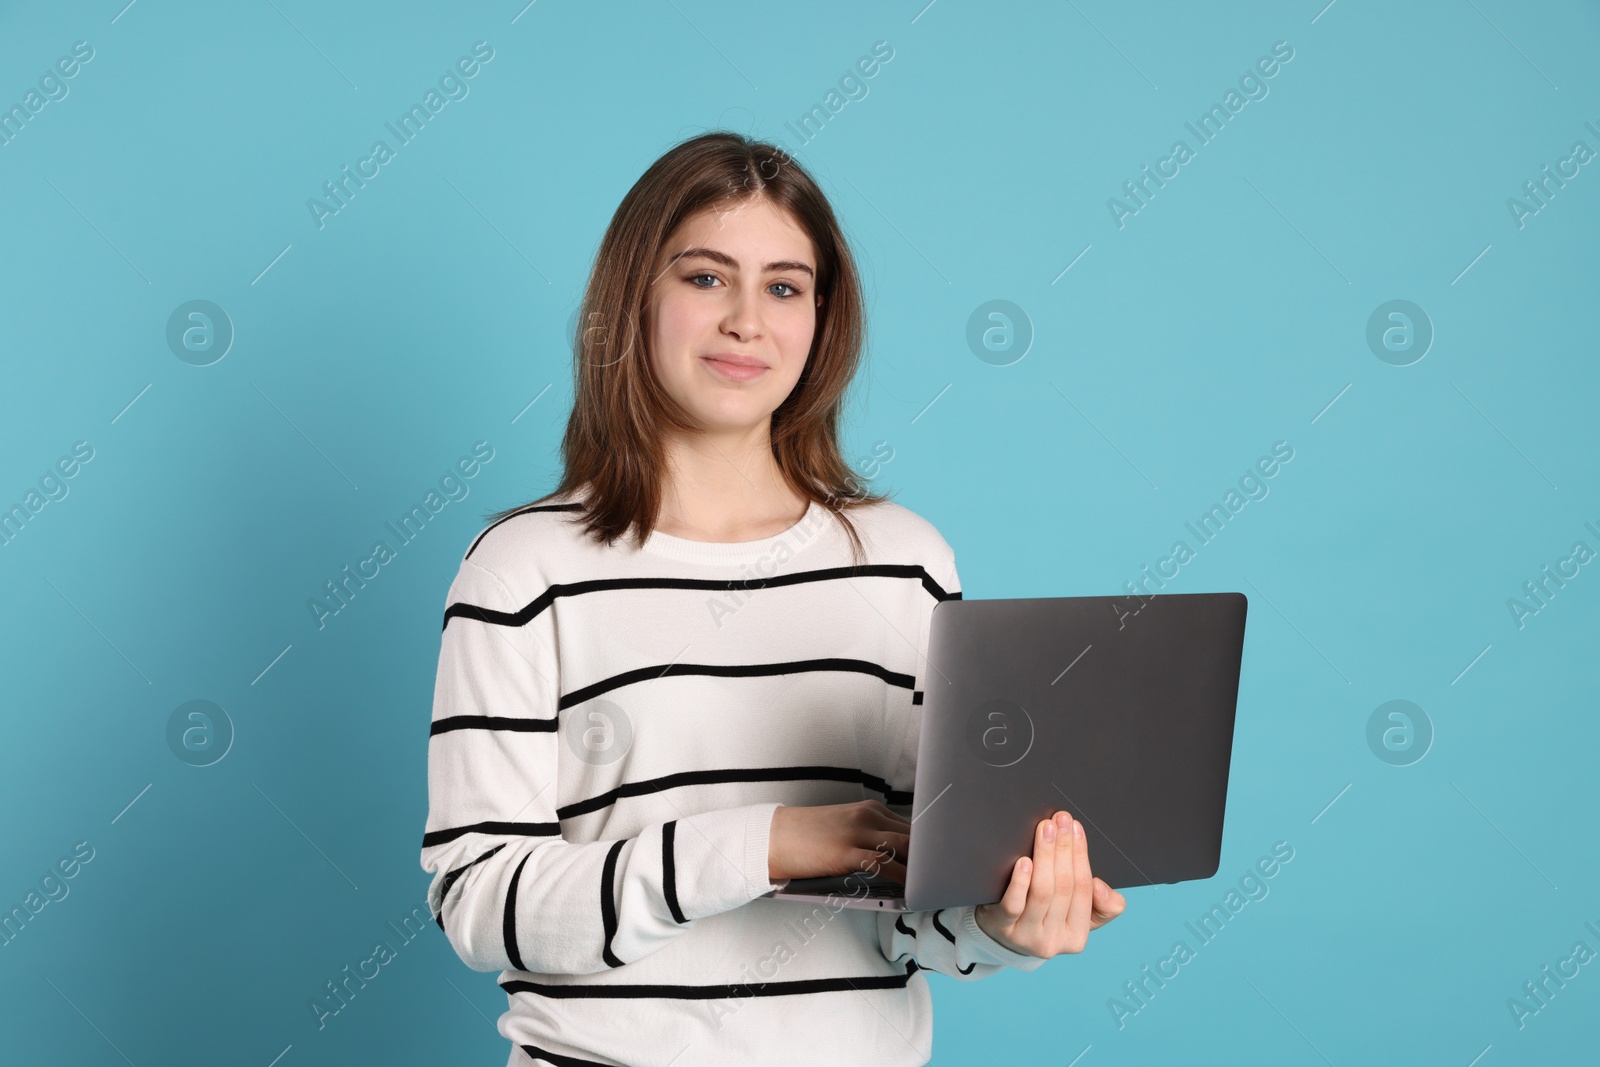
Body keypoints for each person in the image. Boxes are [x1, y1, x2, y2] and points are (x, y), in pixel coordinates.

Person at [420, 130, 1127, 1067]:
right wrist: (773, 841)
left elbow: (908, 911)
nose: (747, 320)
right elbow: (485, 906)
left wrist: (1005, 923)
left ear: (820, 319)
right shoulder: (522, 570)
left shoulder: (903, 563)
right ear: (635, 299)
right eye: (706, 277)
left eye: (784, 286)